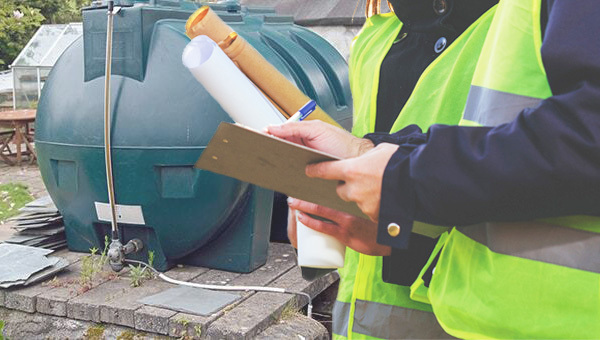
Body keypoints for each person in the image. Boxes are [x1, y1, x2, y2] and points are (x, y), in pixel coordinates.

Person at [269, 0, 600, 338]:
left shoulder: (495, 22)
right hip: (465, 317)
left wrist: (402, 183)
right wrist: (363, 153)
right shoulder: (380, 33)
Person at [284, 0, 497, 338]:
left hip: (461, 318)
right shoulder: (377, 37)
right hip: (359, 311)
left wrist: (400, 218)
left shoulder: (517, 31)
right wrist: (325, 195)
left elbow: (534, 172)